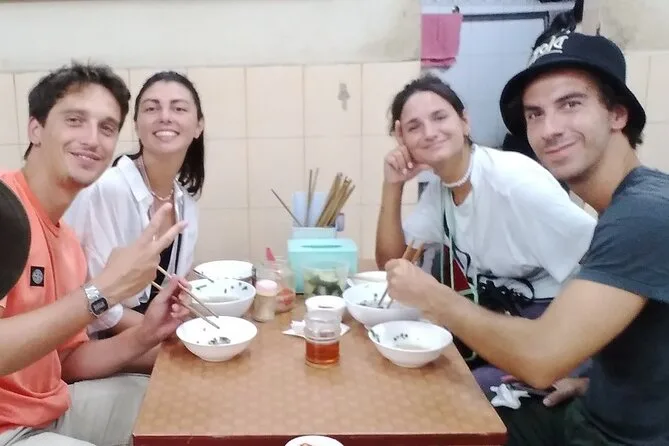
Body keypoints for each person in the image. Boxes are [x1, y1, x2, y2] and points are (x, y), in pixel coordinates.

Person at [385, 30, 669, 445]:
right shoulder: (627, 207)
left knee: (439, 417)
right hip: (590, 405)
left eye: (570, 104)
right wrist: (591, 382)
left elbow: (539, 358)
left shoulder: (643, 214)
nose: (550, 129)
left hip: (611, 432)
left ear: (617, 114)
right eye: (535, 114)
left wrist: (435, 297)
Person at [0, 62, 191, 446]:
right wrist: (103, 290)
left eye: (106, 128)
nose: (92, 139)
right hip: (7, 429)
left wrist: (146, 335)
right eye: (75, 120)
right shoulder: (5, 210)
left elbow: (68, 362)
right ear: (35, 128)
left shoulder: (69, 244)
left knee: (182, 405)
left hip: (51, 411)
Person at [375, 74, 596, 391]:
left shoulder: (514, 182)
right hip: (503, 323)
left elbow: (611, 268)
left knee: (456, 393)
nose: (430, 132)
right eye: (414, 127)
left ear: (464, 122)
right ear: (403, 141)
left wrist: (587, 381)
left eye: (439, 117)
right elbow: (394, 262)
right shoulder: (441, 192)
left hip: (556, 332)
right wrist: (393, 184)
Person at [65, 71, 204, 340]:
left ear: (198, 126)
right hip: (95, 342)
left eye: (178, 108)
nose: (165, 116)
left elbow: (172, 291)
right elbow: (99, 305)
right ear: (137, 125)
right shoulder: (106, 189)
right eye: (152, 108)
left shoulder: (185, 203)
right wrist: (168, 335)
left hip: (149, 335)